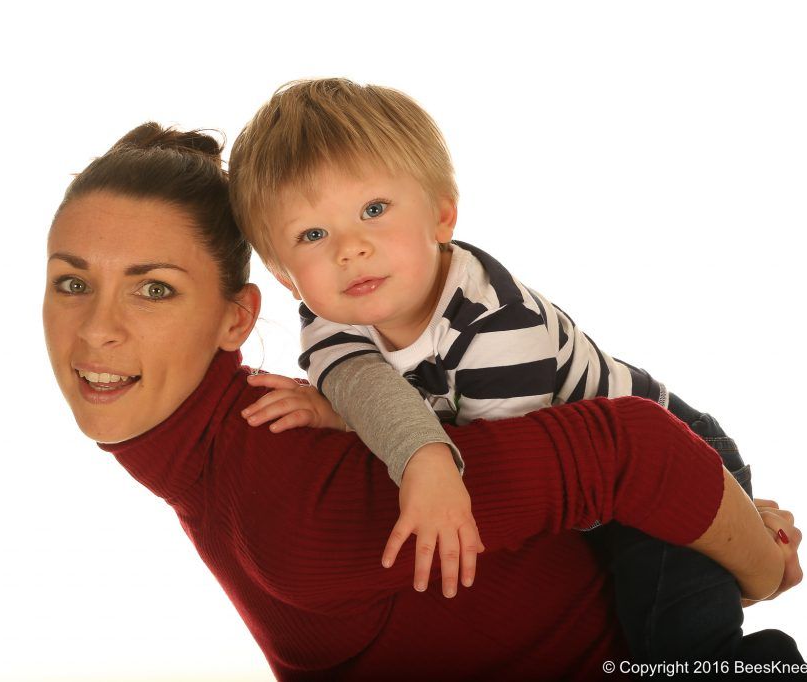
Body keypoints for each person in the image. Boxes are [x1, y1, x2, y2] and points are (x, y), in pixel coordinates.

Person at [43, 123, 807, 680]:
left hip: (667, 464)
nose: (97, 330)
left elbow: (629, 448)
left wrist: (758, 562)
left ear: (238, 318)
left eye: (153, 289)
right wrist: (342, 408)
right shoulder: (293, 380)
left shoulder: (291, 493)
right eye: (72, 282)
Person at [226, 78, 775, 662]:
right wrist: (338, 408)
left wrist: (372, 429)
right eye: (313, 235)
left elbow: (503, 476)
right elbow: (362, 384)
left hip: (670, 458)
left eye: (374, 209)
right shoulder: (329, 314)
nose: (350, 248)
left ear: (441, 216)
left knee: (682, 650)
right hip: (585, 494)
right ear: (285, 276)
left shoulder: (496, 324)